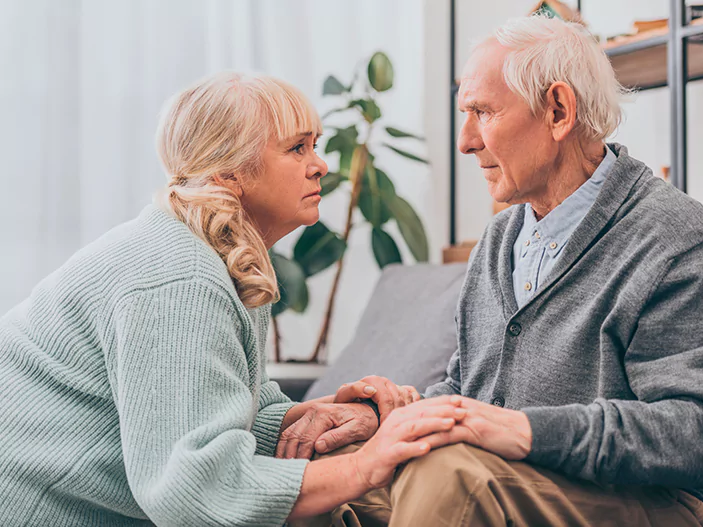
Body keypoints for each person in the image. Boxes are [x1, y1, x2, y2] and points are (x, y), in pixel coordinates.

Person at [297, 15, 703, 527]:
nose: (466, 141)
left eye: (482, 112)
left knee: (447, 475)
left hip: (658, 503)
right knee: (322, 474)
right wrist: (384, 421)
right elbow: (468, 395)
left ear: (558, 111)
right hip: (511, 478)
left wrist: (524, 430)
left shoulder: (670, 233)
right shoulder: (501, 238)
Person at [0, 72, 460, 527]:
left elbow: (214, 405)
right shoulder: (180, 279)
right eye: (297, 148)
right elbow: (194, 491)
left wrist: (305, 414)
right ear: (229, 173)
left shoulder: (220, 251)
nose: (320, 165)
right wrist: (364, 466)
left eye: (315, 146)